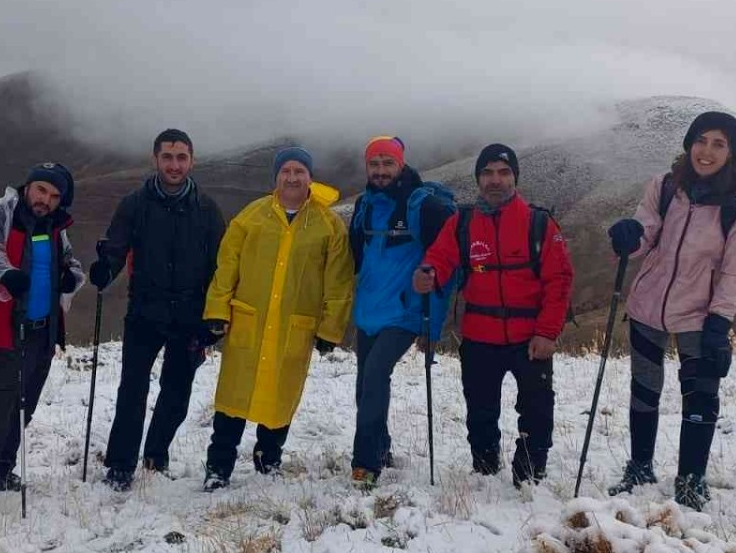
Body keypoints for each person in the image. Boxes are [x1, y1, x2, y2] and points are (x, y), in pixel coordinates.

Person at [605, 111, 736, 510]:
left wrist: (720, 319)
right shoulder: (664, 187)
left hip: (700, 314)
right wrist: (630, 238)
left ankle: (691, 481)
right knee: (644, 391)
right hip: (648, 306)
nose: (706, 151)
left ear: (733, 152)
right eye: (701, 140)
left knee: (700, 396)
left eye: (718, 143)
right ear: (689, 143)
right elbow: (647, 234)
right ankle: (639, 468)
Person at [413, 144, 573, 487]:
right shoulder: (462, 223)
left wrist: (547, 332)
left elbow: (559, 280)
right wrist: (429, 272)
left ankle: (529, 472)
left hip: (530, 336)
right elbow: (439, 258)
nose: (495, 180)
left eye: (503, 172)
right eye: (487, 173)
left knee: (536, 408)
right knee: (481, 409)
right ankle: (484, 468)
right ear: (478, 179)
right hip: (479, 334)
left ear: (514, 177)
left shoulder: (539, 223)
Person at [200, 146, 354, 491]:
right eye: (286, 171)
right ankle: (218, 467)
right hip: (248, 322)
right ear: (276, 177)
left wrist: (331, 327)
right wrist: (216, 309)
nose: (292, 177)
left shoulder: (328, 225)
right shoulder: (251, 217)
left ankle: (268, 460)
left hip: (293, 326)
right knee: (232, 398)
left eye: (299, 171)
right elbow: (227, 266)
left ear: (310, 177)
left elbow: (339, 279)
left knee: (281, 397)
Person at [89, 129, 226, 491]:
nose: (174, 165)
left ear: (191, 161)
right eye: (168, 157)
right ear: (156, 159)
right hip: (144, 314)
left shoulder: (208, 210)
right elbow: (117, 247)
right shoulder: (134, 204)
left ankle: (155, 457)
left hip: (191, 317)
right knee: (132, 390)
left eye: (181, 158)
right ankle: (120, 465)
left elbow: (221, 267)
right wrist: (106, 268)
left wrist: (216, 316)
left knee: (177, 392)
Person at [0, 162, 84, 516]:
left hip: (42, 330)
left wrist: (71, 276)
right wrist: (7, 274)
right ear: (28, 186)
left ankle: (1, 471)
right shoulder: (0, 214)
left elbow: (68, 259)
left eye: (54, 196)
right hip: (3, 328)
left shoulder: (55, 225)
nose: (45, 200)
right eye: (41, 190)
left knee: (25, 406)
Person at [348, 136, 455, 488]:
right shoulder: (364, 206)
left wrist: (432, 325)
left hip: (406, 313)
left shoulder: (422, 207)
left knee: (376, 377)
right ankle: (381, 449)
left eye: (387, 164)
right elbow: (357, 261)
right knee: (365, 387)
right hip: (369, 311)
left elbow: (447, 262)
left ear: (401, 165)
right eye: (374, 164)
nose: (380, 171)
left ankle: (364, 464)